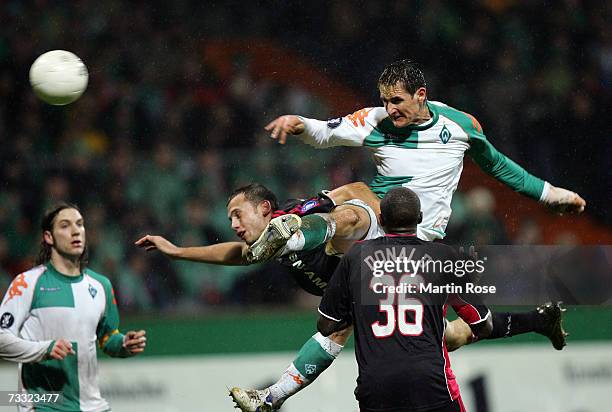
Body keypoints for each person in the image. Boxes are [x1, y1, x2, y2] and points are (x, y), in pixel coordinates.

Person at [135, 183, 566, 411]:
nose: (232, 223)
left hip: (378, 254)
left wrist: (316, 211)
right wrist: (177, 251)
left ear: (266, 209)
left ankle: (274, 395)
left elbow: (357, 191)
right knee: (455, 335)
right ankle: (539, 319)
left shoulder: (294, 216)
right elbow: (237, 255)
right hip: (379, 299)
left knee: (347, 221)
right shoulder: (260, 245)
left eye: (237, 213)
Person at [261, 59, 585, 244]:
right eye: (385, 100)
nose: (389, 108)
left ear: (420, 95)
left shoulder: (461, 126)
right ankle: (292, 238)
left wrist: (551, 194)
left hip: (426, 239)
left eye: (397, 100)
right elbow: (326, 133)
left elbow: (498, 166)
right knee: (349, 212)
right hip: (380, 226)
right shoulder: (374, 121)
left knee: (455, 334)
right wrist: (298, 123)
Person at [317, 187, 492, 412]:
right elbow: (483, 325)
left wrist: (361, 310)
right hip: (430, 384)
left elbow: (325, 325)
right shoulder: (443, 257)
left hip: (377, 387)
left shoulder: (356, 256)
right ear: (420, 218)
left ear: (380, 219)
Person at [0, 203, 146, 411]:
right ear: (49, 237)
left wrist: (124, 343)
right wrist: (45, 349)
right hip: (45, 405)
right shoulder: (27, 283)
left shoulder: (101, 285)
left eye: (79, 224)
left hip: (93, 406)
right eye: (65, 225)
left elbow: (106, 338)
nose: (76, 230)